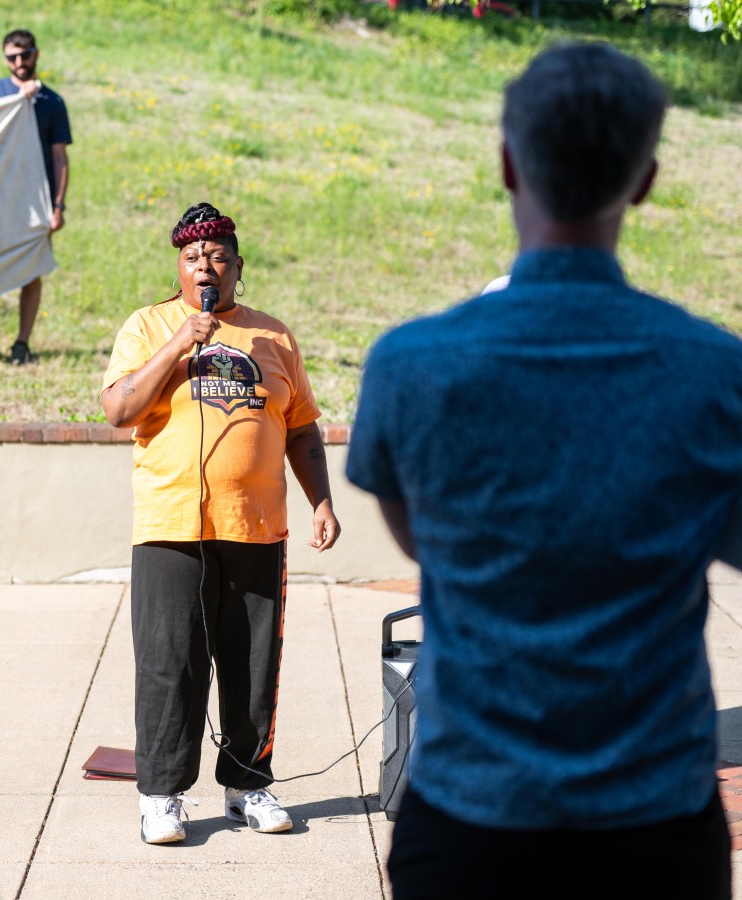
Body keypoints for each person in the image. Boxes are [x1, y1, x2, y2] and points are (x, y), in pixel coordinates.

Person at [345, 42, 740, 899]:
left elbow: (425, 543)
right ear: (645, 180)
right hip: (658, 834)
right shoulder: (714, 374)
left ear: (506, 162)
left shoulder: (412, 368)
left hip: (468, 826)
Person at [101, 202, 340, 844]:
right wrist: (181, 344)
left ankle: (247, 786)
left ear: (238, 268)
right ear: (178, 269)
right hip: (169, 524)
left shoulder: (274, 336)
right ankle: (161, 795)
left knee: (252, 663)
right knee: (168, 662)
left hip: (256, 525)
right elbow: (118, 408)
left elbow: (302, 428)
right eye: (192, 257)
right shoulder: (149, 326)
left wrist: (320, 499)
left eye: (218, 257)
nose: (205, 266)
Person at [0, 28, 71, 366]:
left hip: (33, 199)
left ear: (36, 54)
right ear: (4, 58)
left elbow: (59, 156)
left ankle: (21, 344)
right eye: (12, 57)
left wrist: (58, 205)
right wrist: (19, 99)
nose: (19, 62)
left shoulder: (52, 101)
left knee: (31, 269)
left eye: (25, 55)